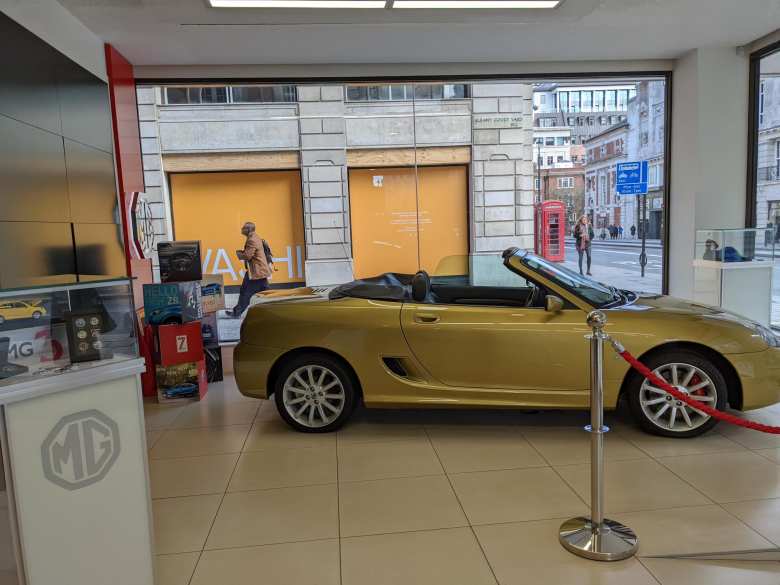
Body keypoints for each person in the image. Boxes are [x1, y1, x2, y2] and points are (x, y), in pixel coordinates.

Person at [231, 222, 273, 317]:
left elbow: (247, 256)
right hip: (257, 270)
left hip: (257, 272)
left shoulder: (252, 240)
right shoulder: (255, 237)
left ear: (248, 230)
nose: (242, 229)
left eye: (243, 228)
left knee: (247, 292)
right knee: (262, 292)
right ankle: (236, 311)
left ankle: (237, 312)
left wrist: (239, 253)